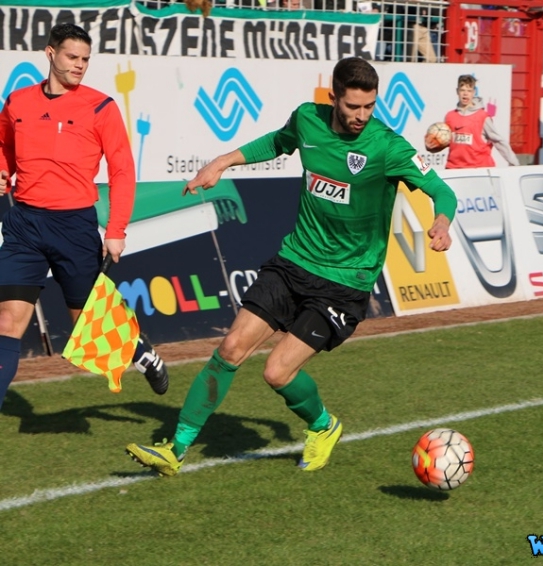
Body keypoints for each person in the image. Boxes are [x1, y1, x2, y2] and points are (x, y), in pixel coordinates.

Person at [125, 57, 457, 477]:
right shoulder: (307, 119)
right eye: (353, 106)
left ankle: (323, 425)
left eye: (369, 106)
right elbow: (277, 143)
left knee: (277, 371)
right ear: (333, 97)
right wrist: (221, 162)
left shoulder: (387, 146)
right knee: (229, 349)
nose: (361, 116)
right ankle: (176, 449)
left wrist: (442, 221)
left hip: (344, 283)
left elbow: (440, 191)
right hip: (294, 261)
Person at [0, 23, 168, 412]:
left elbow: (123, 170)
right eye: (72, 57)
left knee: (86, 325)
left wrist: (116, 230)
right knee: (7, 322)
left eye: (85, 59)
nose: (79, 65)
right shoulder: (17, 102)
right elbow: (4, 145)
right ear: (50, 53)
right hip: (24, 224)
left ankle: (139, 351)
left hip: (73, 226)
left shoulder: (101, 106)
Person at [433, 74, 519, 169]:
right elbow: (445, 141)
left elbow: (498, 141)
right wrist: (433, 146)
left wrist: (515, 164)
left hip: (478, 170)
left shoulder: (482, 116)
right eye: (462, 90)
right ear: (457, 91)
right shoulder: (450, 116)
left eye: (469, 91)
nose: (465, 94)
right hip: (454, 168)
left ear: (474, 92)